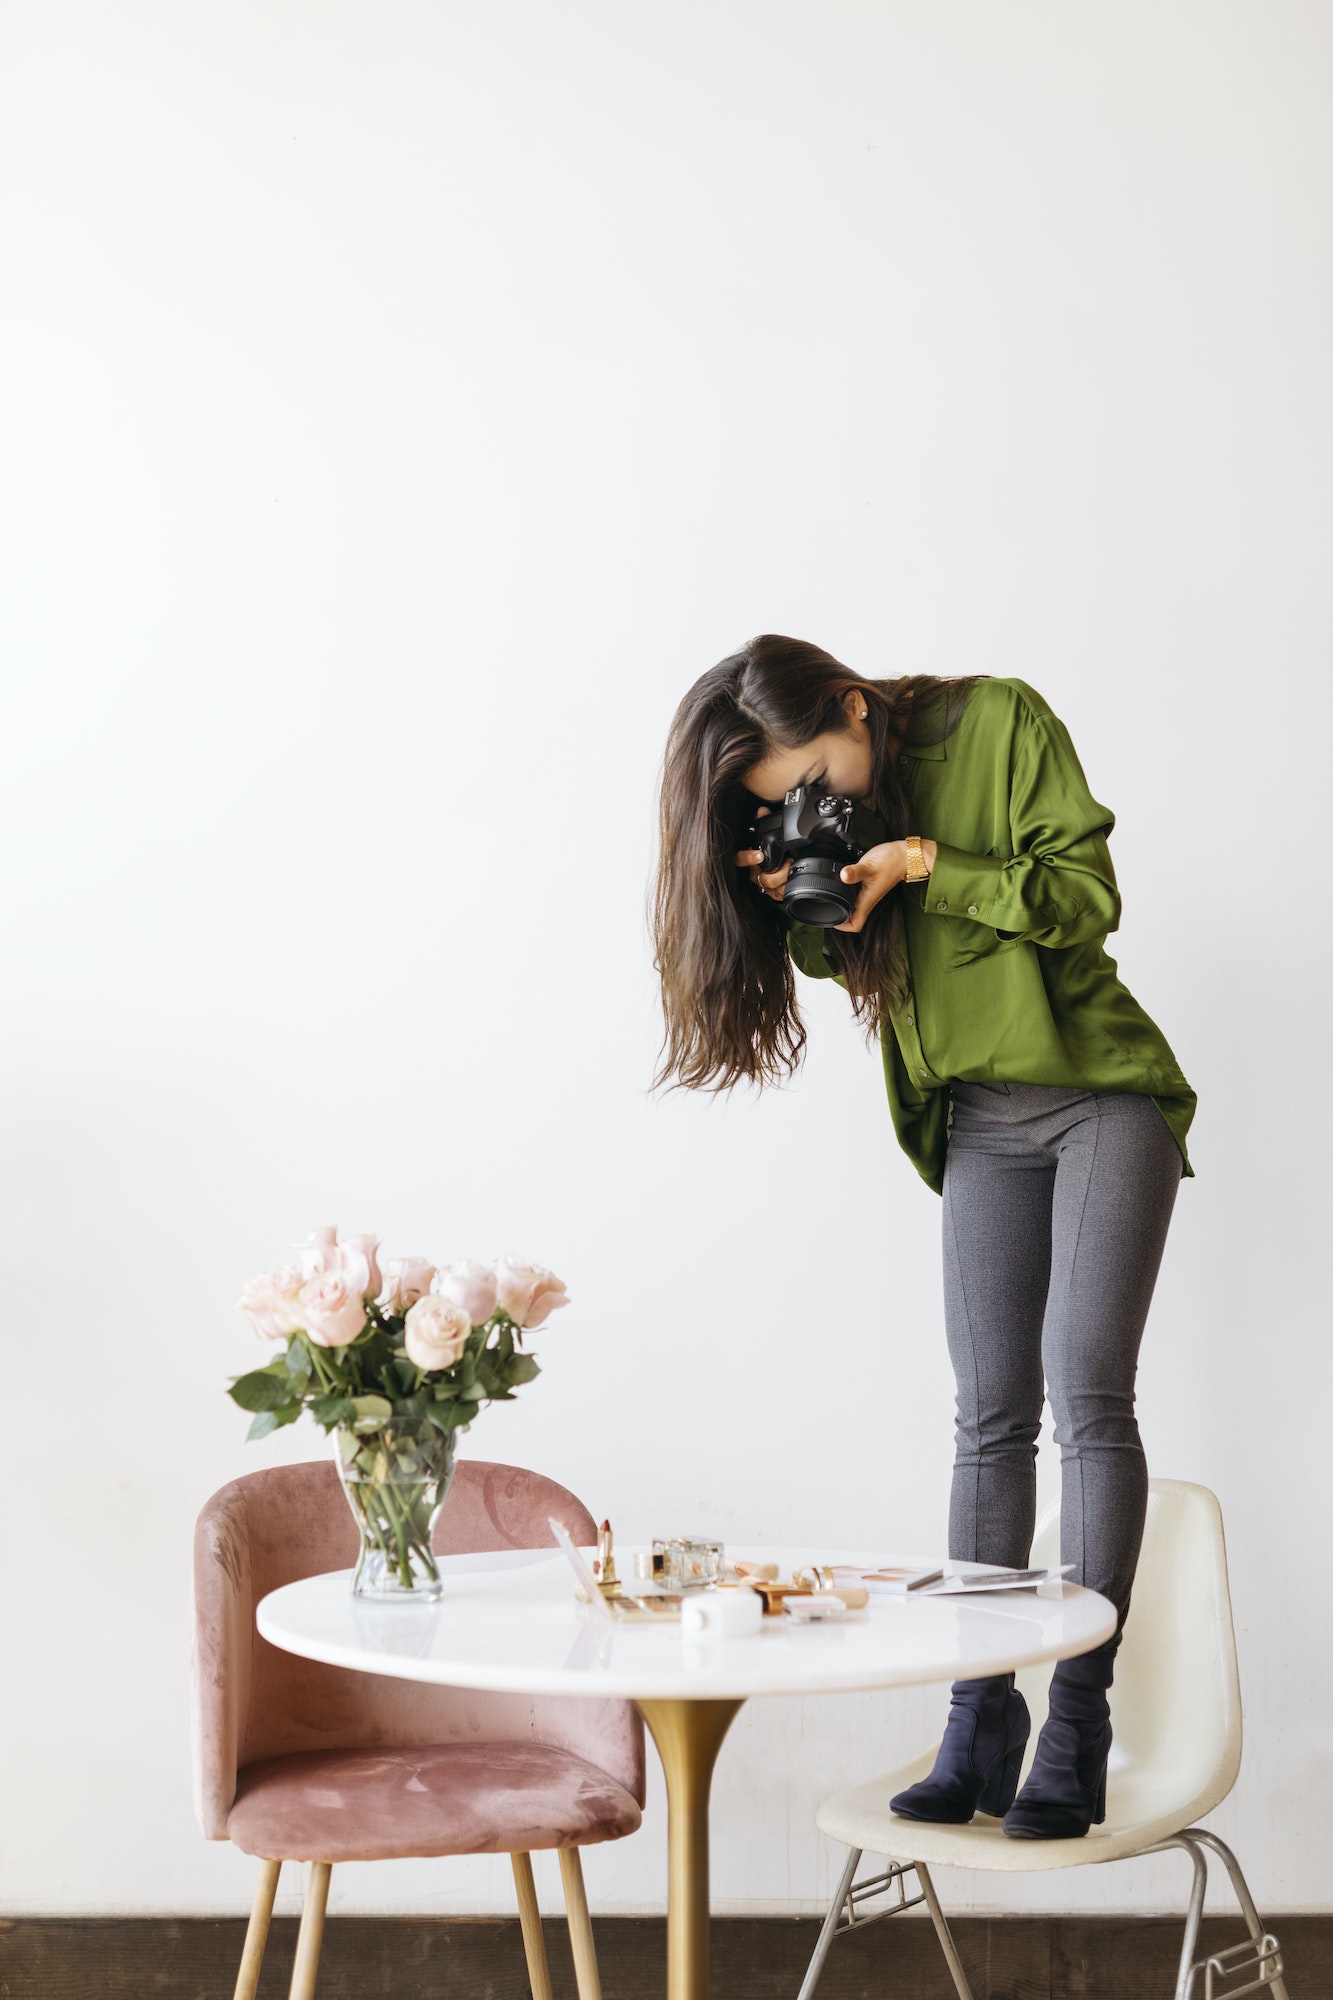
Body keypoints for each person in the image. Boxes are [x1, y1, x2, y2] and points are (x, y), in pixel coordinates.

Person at [650, 632, 1195, 1839]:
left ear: (852, 704)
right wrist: (790, 890)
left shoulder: (997, 722)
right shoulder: (838, 801)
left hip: (1100, 1094)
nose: (811, 800)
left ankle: (1078, 1721)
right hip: (978, 1120)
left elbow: (1082, 898)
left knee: (1084, 1398)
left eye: (809, 775)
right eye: (778, 796)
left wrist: (926, 860)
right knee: (987, 1415)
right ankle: (977, 1716)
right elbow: (870, 964)